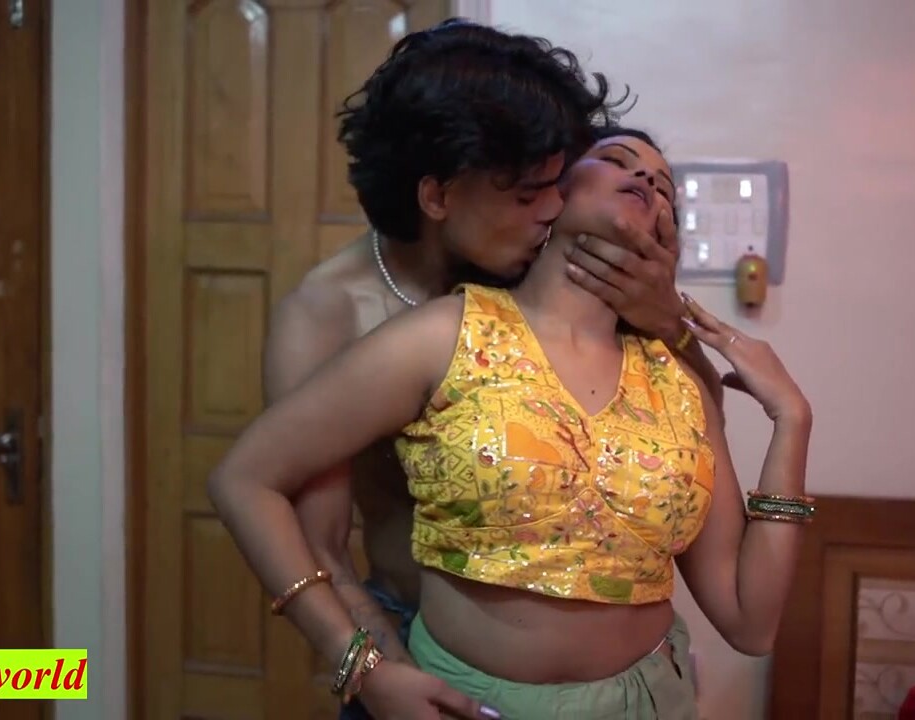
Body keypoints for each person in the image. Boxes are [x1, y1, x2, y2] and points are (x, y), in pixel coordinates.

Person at [213, 125, 813, 719]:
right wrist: (358, 666)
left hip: (651, 702)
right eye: (617, 159)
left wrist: (791, 419)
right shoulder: (443, 336)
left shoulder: (679, 384)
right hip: (467, 704)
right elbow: (245, 479)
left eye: (663, 187)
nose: (646, 180)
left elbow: (751, 624)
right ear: (550, 193)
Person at [261, 18, 725, 719]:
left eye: (557, 182)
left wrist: (671, 323)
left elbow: (695, 422)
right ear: (438, 196)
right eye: (527, 193)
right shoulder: (329, 314)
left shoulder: (532, 269)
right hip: (405, 635)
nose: (553, 208)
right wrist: (371, 668)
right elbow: (314, 539)